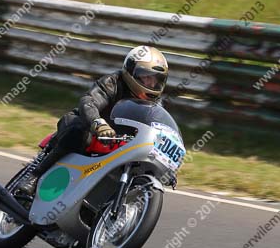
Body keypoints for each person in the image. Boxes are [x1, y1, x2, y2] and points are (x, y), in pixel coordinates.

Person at [18, 46, 169, 196]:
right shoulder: (113, 82)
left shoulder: (155, 104)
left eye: (156, 80)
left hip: (118, 143)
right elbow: (89, 102)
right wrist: (98, 123)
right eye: (146, 76)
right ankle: (35, 176)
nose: (151, 84)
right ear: (131, 71)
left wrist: (165, 161)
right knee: (78, 132)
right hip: (89, 128)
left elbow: (159, 130)